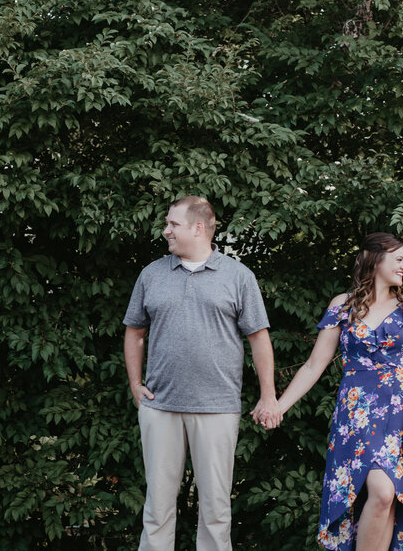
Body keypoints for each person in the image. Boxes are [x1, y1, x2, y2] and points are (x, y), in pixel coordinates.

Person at [257, 232, 403, 550]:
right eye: (399, 259)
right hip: (356, 414)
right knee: (382, 493)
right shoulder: (343, 305)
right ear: (375, 259)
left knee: (389, 499)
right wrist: (279, 406)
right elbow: (314, 366)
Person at [124, 195, 282, 551]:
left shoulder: (238, 276)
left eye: (173, 224)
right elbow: (135, 331)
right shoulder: (152, 274)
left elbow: (259, 338)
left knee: (215, 509)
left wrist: (268, 394)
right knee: (157, 508)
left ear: (198, 228)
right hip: (160, 406)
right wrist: (136, 384)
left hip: (218, 407)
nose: (166, 230)